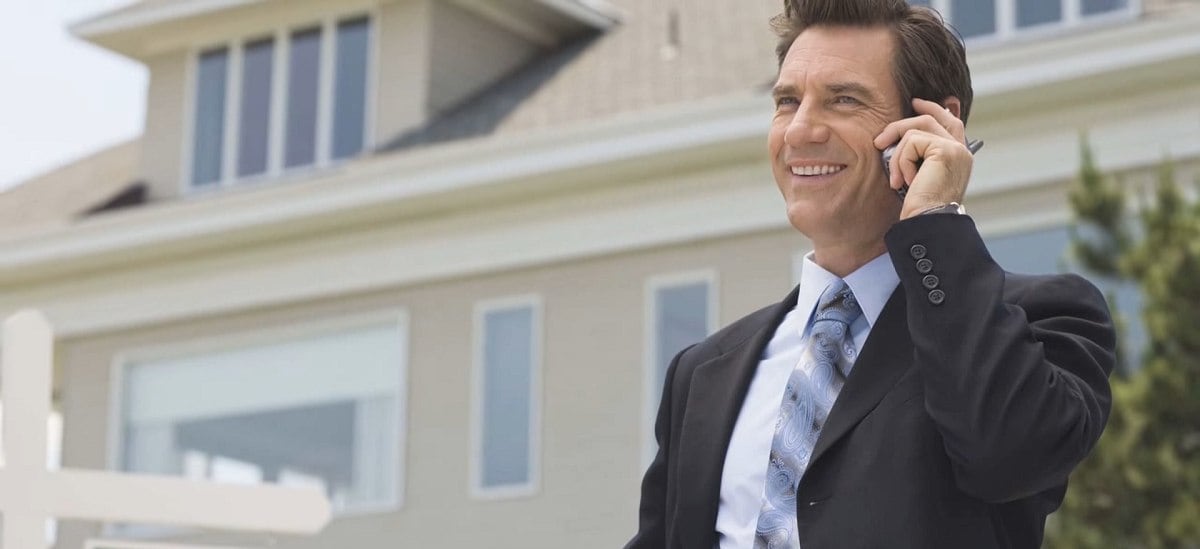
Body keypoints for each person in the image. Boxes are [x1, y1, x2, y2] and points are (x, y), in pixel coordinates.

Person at [624, 1, 1116, 548]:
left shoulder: (1042, 320)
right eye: (787, 101)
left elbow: (1009, 458)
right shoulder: (702, 374)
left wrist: (934, 221)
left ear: (934, 123)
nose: (801, 130)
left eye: (844, 99)